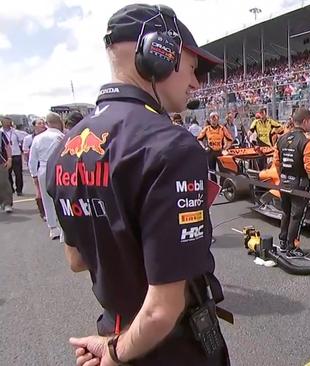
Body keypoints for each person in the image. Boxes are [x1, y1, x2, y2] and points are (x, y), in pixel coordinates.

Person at [46, 4, 229, 365]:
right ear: (158, 56)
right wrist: (115, 355)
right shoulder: (173, 147)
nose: (195, 83)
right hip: (170, 348)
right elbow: (162, 309)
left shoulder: (61, 151)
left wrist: (112, 347)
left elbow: (78, 260)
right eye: (193, 69)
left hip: (115, 329)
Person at [273, 107, 310, 258]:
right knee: (296, 217)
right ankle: (292, 247)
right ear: (305, 121)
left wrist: (283, 178)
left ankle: (283, 242)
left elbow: (277, 162)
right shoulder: (307, 142)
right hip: (299, 186)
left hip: (284, 183)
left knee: (286, 213)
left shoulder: (281, 139)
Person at [29, 113, 65, 240]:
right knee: (61, 198)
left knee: (46, 198)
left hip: (43, 168)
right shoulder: (62, 136)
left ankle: (53, 228)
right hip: (59, 168)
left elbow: (32, 159)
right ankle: (63, 229)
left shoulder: (38, 138)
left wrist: (33, 174)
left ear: (47, 123)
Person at [22, 118, 47, 219]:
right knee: (39, 190)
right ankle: (43, 212)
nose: (42, 125)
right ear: (34, 126)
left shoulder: (49, 136)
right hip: (37, 165)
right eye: (39, 123)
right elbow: (25, 151)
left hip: (48, 165)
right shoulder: (29, 138)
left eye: (43, 123)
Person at [1, 116, 25, 196]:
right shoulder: (1, 132)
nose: (7, 124)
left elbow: (25, 137)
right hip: (5, 157)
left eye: (9, 122)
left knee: (18, 173)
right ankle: (11, 188)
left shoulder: (15, 132)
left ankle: (19, 189)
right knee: (7, 174)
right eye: (6, 122)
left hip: (16, 154)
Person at [0, 129, 12, 213]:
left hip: (1, 162)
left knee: (3, 183)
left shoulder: (1, 134)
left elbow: (7, 146)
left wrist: (9, 159)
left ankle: (7, 203)